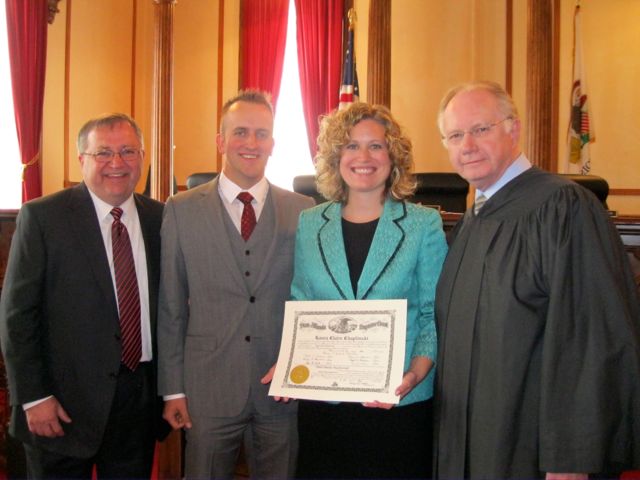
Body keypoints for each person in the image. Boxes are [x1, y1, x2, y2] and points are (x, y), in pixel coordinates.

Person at [433, 80, 640, 479]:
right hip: (469, 438)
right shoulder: (472, 220)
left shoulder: (563, 207)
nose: (467, 145)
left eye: (481, 129)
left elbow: (591, 337)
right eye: (455, 135)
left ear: (514, 128)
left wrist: (573, 458)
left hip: (533, 448)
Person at [157, 90, 314, 479]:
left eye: (262, 134)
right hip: (208, 387)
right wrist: (173, 389)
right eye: (240, 132)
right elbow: (171, 307)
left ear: (273, 143)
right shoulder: (181, 210)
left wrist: (300, 361)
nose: (251, 143)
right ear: (221, 141)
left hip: (282, 388)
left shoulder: (303, 210)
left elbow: (312, 301)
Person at [0, 113, 166, 478]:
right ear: (81, 160)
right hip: (61, 403)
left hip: (137, 400)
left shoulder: (160, 218)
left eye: (128, 151)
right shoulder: (43, 218)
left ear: (142, 156)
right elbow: (17, 315)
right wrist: (34, 396)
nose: (117, 162)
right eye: (103, 152)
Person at [289, 102, 448, 479]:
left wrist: (414, 375)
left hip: (398, 403)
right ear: (335, 156)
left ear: (393, 156)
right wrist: (291, 359)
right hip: (324, 405)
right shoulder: (310, 223)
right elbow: (301, 303)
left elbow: (433, 315)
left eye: (376, 146)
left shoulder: (423, 224)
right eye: (351, 145)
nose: (363, 157)